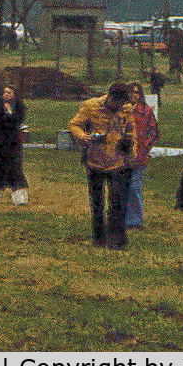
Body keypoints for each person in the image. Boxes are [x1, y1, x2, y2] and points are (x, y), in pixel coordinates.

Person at [69, 81, 135, 248]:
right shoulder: (90, 106)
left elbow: (131, 130)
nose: (119, 106)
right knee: (97, 203)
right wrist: (84, 136)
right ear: (110, 97)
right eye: (116, 103)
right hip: (95, 162)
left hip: (118, 162)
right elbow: (74, 124)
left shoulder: (126, 109)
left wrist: (130, 145)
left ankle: (117, 239)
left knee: (118, 201)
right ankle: (99, 238)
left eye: (122, 104)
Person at [123, 81, 159, 230]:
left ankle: (135, 221)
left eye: (137, 92)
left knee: (135, 187)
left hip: (139, 156)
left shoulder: (146, 110)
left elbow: (155, 133)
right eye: (131, 92)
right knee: (122, 187)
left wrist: (146, 147)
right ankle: (122, 218)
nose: (134, 95)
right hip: (122, 155)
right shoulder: (121, 110)